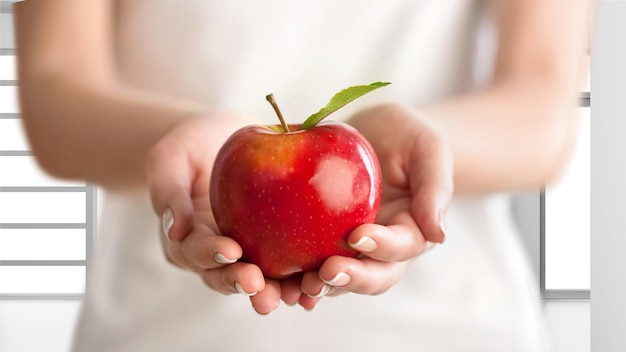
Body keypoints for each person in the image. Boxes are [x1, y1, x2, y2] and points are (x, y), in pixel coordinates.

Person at [13, 0, 591, 351]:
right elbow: (55, 95)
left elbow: (543, 110)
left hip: (450, 332)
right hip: (161, 334)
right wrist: (190, 144)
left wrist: (424, 150)